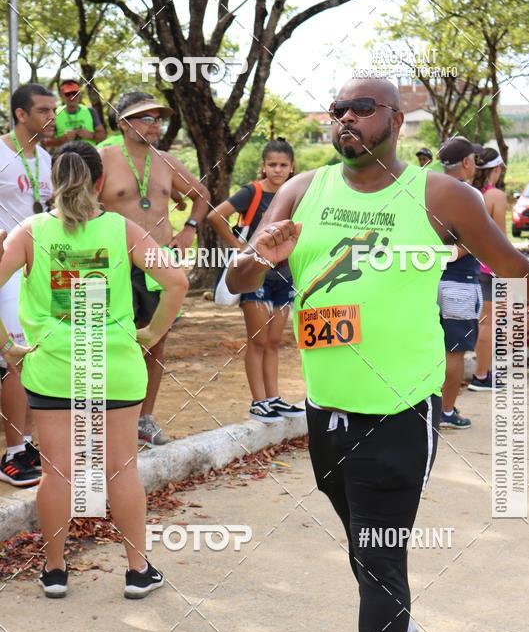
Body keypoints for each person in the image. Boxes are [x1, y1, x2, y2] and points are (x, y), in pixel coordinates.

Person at [228, 77, 529, 632]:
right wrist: (257, 257)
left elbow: (511, 262)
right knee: (363, 550)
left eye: (361, 108)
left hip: (399, 409)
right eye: (337, 109)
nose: (345, 118)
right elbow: (242, 283)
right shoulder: (303, 190)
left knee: (381, 552)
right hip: (325, 410)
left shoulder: (437, 196)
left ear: (396, 119)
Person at [0, 141, 188, 598]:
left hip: (54, 368)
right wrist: (149, 334)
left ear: (53, 183)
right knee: (120, 471)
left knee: (57, 471)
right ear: (100, 182)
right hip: (115, 365)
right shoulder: (122, 230)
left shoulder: (30, 230)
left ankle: (54, 572)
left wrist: (7, 345)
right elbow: (176, 281)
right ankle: (138, 572)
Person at [99, 91, 210, 444]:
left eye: (157, 118)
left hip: (159, 262)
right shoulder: (102, 159)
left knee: (155, 342)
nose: (155, 124)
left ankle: (144, 419)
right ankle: (108, 421)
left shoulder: (166, 161)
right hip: (113, 261)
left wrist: (189, 229)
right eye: (146, 117)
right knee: (110, 342)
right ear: (123, 122)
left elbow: (202, 195)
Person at [208, 138, 304, 422]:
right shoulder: (252, 191)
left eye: (283, 165)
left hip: (285, 275)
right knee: (258, 340)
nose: (277, 169)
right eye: (272, 164)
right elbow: (216, 216)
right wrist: (240, 249)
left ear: (292, 167)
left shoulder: (296, 192)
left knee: (274, 341)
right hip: (255, 275)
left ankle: (273, 398)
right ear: (263, 166)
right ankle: (258, 401)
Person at [0, 83, 56, 487]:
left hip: (39, 270)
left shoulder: (48, 158)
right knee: (13, 357)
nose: (52, 117)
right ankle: (13, 451)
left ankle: (29, 443)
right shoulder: (0, 152)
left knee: (38, 353)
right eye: (43, 111)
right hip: (6, 268)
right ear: (21, 114)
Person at [437, 136, 483, 428]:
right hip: (460, 281)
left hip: (426, 279)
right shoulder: (470, 195)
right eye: (474, 159)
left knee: (428, 346)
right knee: (454, 351)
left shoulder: (426, 191)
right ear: (466, 162)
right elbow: (477, 240)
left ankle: (423, 410)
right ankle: (446, 411)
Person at [468, 147, 507, 391]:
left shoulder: (467, 192)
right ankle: (481, 376)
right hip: (488, 266)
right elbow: (500, 237)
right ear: (496, 169)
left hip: (464, 265)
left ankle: (478, 368)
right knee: (487, 323)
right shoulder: (496, 197)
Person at [44, 79, 106, 149]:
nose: (72, 97)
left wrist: (91, 135)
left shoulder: (90, 111)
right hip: (65, 157)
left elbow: (103, 136)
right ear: (61, 95)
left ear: (79, 94)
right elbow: (45, 142)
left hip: (89, 156)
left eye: (74, 93)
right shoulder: (54, 113)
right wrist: (63, 139)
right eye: (67, 94)